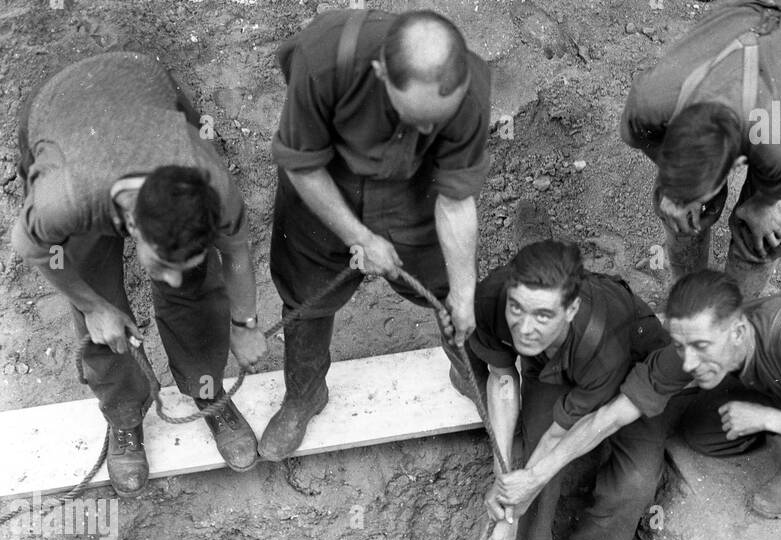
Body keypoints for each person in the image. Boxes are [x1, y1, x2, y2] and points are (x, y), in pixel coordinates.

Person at [12, 51, 268, 497]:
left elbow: (235, 252)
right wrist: (93, 307)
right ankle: (124, 416)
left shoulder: (209, 181)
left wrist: (245, 323)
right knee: (93, 299)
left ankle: (206, 391)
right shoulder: (65, 198)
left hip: (141, 84)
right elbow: (37, 249)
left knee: (197, 289)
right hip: (63, 117)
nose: (168, 278)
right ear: (131, 225)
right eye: (160, 265)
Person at [262, 7, 491, 461]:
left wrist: (465, 294)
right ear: (380, 73)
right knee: (306, 296)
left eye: (437, 123)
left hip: (415, 190)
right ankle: (304, 394)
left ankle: (469, 374)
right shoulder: (325, 58)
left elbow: (455, 200)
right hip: (325, 184)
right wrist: (359, 237)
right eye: (416, 117)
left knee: (447, 289)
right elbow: (302, 163)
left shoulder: (470, 89)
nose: (428, 130)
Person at [532, 270, 781, 521]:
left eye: (701, 347)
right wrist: (535, 476)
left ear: (736, 332)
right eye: (683, 347)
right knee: (703, 432)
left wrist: (769, 420)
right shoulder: (700, 339)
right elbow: (614, 414)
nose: (690, 361)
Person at [470, 240, 677, 540]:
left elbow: (579, 429)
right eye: (518, 310)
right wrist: (505, 476)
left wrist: (517, 501)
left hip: (624, 372)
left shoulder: (604, 337)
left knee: (637, 479)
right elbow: (503, 379)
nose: (524, 328)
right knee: (527, 462)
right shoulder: (492, 301)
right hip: (556, 363)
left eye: (542, 315)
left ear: (571, 309)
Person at [620, 0, 781, 296]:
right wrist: (676, 196)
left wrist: (763, 205)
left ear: (736, 162)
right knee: (682, 216)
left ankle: (729, 316)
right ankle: (691, 296)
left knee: (762, 236)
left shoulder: (778, 141)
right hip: (741, 20)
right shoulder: (650, 103)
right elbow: (644, 137)